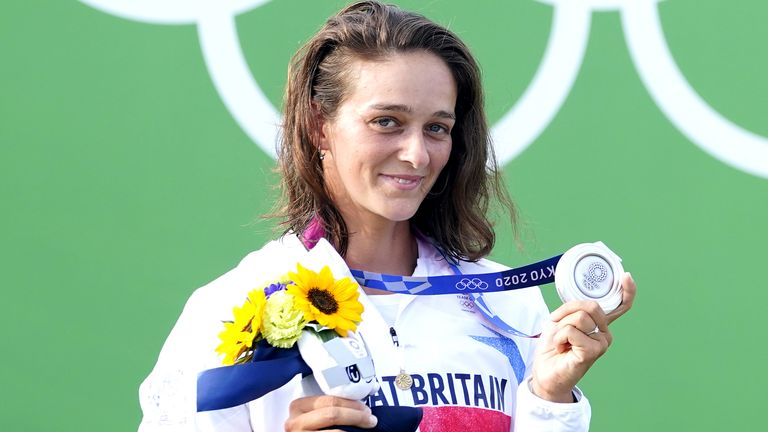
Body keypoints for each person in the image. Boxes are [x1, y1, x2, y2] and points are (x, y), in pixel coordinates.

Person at [138, 1, 637, 431]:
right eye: (386, 122)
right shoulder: (229, 310)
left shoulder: (511, 305)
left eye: (437, 128)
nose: (417, 155)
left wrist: (550, 399)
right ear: (319, 127)